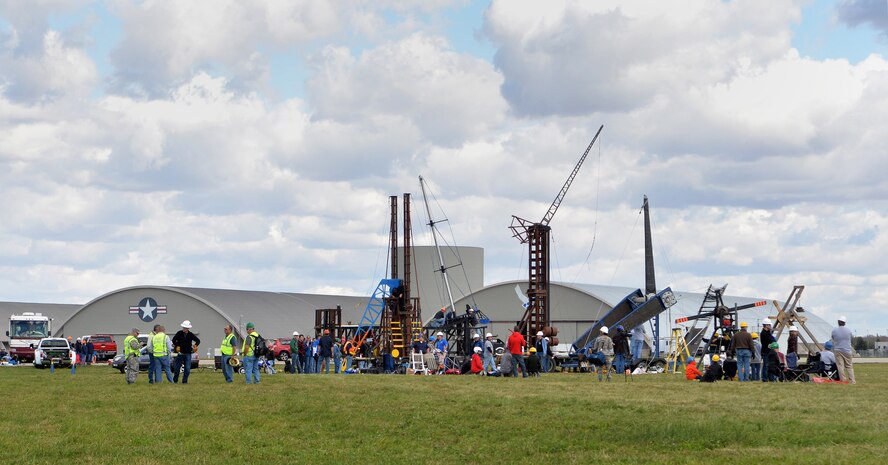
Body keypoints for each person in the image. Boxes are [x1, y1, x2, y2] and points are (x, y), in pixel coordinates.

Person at [831, 315, 855, 384]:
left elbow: (833, 338)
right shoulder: (849, 331)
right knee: (849, 366)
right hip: (847, 350)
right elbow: (851, 338)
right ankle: (852, 381)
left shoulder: (834, 330)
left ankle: (843, 380)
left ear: (838, 322)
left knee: (840, 366)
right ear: (844, 323)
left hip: (838, 350)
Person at [759, 318, 776, 383]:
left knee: (770, 366)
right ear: (766, 325)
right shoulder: (764, 333)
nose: (770, 326)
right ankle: (765, 379)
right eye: (769, 325)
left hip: (769, 351)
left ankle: (771, 378)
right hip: (766, 352)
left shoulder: (767, 333)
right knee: (766, 366)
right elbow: (772, 340)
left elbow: (773, 341)